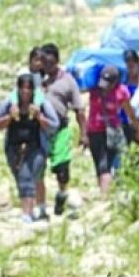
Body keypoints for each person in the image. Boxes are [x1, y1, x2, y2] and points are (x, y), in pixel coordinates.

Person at [0, 74, 59, 223]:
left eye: (29, 89)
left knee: (27, 176)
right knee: (20, 177)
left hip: (36, 148)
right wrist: (9, 117)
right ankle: (31, 207)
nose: (25, 92)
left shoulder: (41, 104)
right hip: (14, 148)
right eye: (22, 88)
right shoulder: (10, 103)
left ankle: (27, 214)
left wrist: (39, 117)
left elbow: (54, 126)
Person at [39, 43, 86, 217]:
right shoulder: (37, 80)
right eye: (44, 62)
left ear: (57, 61)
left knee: (62, 167)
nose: (47, 66)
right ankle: (40, 204)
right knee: (37, 167)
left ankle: (61, 194)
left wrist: (84, 133)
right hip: (40, 130)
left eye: (50, 62)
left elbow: (79, 109)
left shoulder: (68, 81)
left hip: (60, 130)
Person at [83, 65, 139, 196]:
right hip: (102, 131)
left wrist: (138, 129)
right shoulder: (119, 91)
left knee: (104, 166)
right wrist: (138, 130)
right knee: (101, 165)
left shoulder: (96, 90)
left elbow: (130, 114)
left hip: (102, 131)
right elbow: (130, 113)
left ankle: (104, 196)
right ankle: (105, 195)